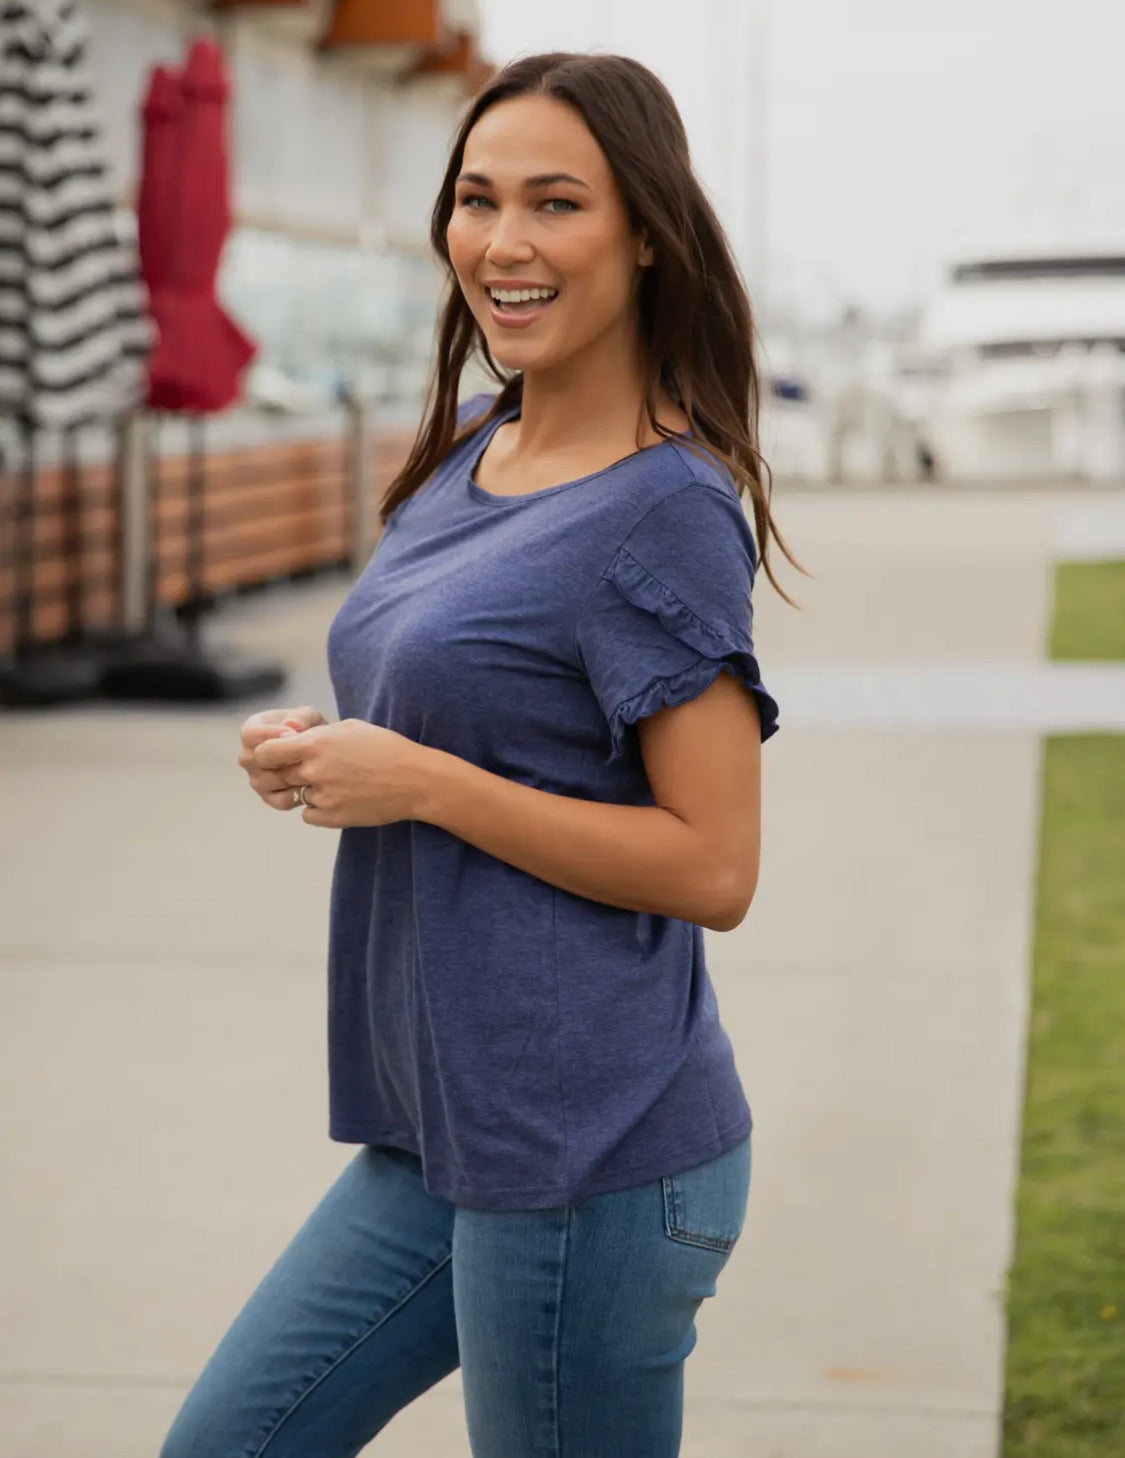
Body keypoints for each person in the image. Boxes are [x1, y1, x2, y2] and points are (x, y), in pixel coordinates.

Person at [160, 50, 804, 1458]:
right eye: (476, 198)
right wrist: (325, 753)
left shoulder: (664, 510)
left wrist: (424, 784)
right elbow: (446, 705)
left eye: (555, 203)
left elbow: (714, 862)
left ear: (644, 230)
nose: (502, 243)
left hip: (590, 1161)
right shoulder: (469, 444)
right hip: (438, 1131)